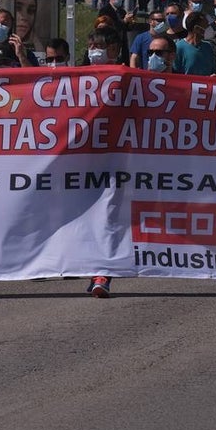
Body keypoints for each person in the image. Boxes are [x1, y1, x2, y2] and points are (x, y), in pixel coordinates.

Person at [84, 27, 126, 298]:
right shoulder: (77, 77)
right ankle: (88, 266)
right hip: (80, 160)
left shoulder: (126, 77)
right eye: (91, 46)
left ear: (113, 50)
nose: (94, 51)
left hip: (114, 159)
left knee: (107, 215)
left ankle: (103, 274)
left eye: (99, 46)